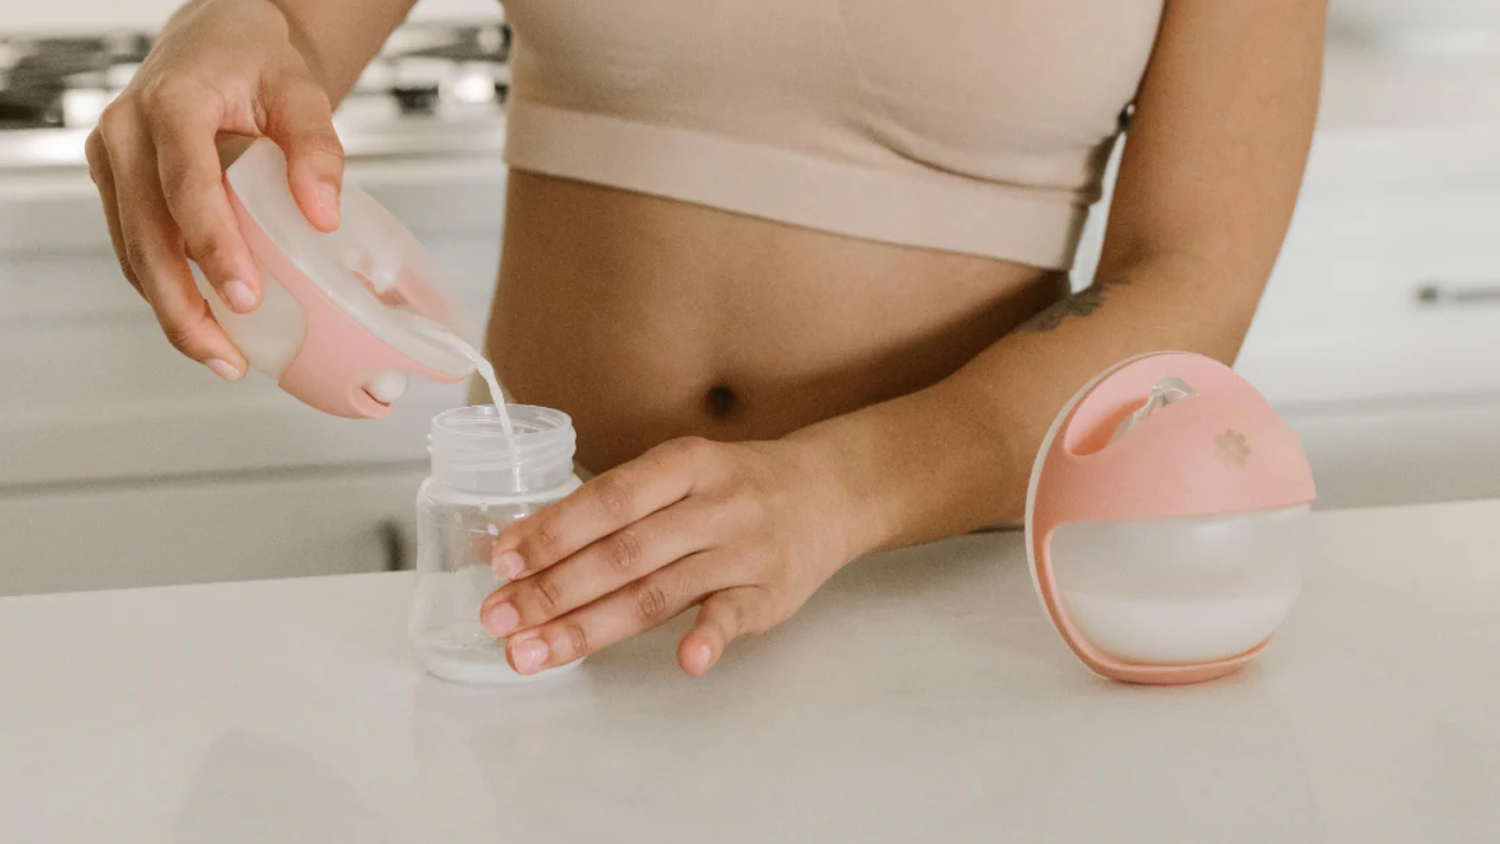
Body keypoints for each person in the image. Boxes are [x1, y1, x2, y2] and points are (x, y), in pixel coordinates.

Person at [87, 0, 1327, 677]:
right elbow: (286, 25)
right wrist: (220, 33)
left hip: (939, 611)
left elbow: (1191, 280)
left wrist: (838, 490)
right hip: (545, 598)